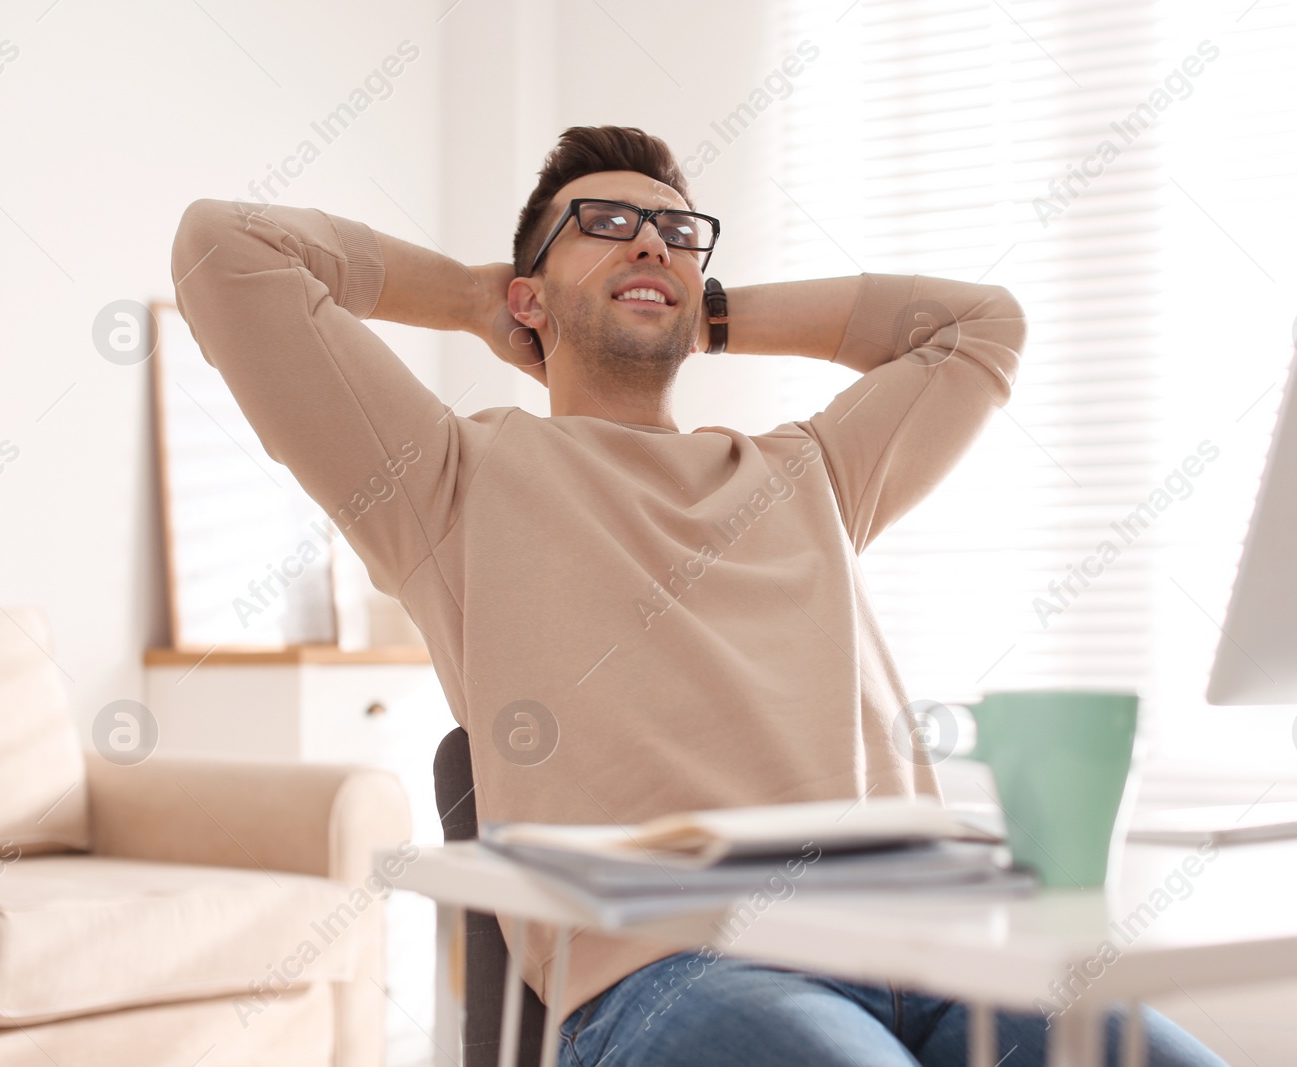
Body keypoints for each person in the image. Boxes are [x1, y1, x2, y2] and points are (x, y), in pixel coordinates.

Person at [171, 124, 1224, 1066]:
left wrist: (700, 312)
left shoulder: (812, 472)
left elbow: (978, 324)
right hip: (688, 969)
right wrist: (471, 298)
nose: (653, 244)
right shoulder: (448, 483)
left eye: (680, 234)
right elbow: (227, 247)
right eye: (608, 223)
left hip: (941, 953)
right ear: (527, 294)